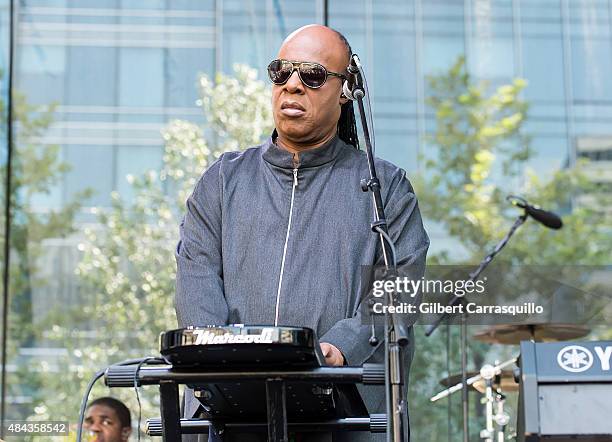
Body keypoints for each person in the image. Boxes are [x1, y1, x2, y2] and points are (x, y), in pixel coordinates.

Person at [175, 24, 429, 441]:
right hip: (226, 416)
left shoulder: (385, 188)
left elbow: (397, 292)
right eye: (281, 72)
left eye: (311, 75)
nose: (292, 85)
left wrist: (337, 348)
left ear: (346, 90)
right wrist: (218, 355)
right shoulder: (222, 180)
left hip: (343, 416)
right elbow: (195, 279)